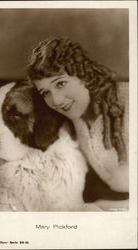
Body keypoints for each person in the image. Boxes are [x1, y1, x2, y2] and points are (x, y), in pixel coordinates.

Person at [27, 37, 129, 193]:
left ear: (84, 76)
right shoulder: (74, 123)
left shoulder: (129, 99)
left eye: (60, 84)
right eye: (46, 93)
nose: (56, 101)